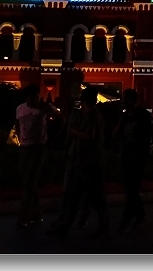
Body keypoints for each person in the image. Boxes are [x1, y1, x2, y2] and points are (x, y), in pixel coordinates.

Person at [46, 92, 109, 239]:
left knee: (89, 197)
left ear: (83, 101)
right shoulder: (90, 115)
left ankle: (68, 227)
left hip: (89, 162)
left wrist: (73, 131)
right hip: (85, 160)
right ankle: (65, 227)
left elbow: (89, 135)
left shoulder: (92, 116)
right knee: (79, 196)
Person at [15, 87, 59, 228]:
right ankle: (37, 214)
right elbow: (17, 123)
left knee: (30, 180)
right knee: (28, 180)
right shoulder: (20, 108)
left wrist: (52, 138)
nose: (35, 100)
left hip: (39, 147)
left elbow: (61, 119)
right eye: (32, 97)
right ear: (27, 98)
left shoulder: (45, 107)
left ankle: (24, 216)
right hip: (24, 147)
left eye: (37, 97)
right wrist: (20, 138)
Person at [112, 89, 153, 234]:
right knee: (130, 189)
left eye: (124, 98)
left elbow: (151, 135)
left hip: (138, 157)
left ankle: (126, 221)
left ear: (130, 100)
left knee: (132, 189)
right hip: (127, 156)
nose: (122, 101)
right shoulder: (124, 116)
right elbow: (116, 133)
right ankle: (140, 216)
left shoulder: (143, 115)